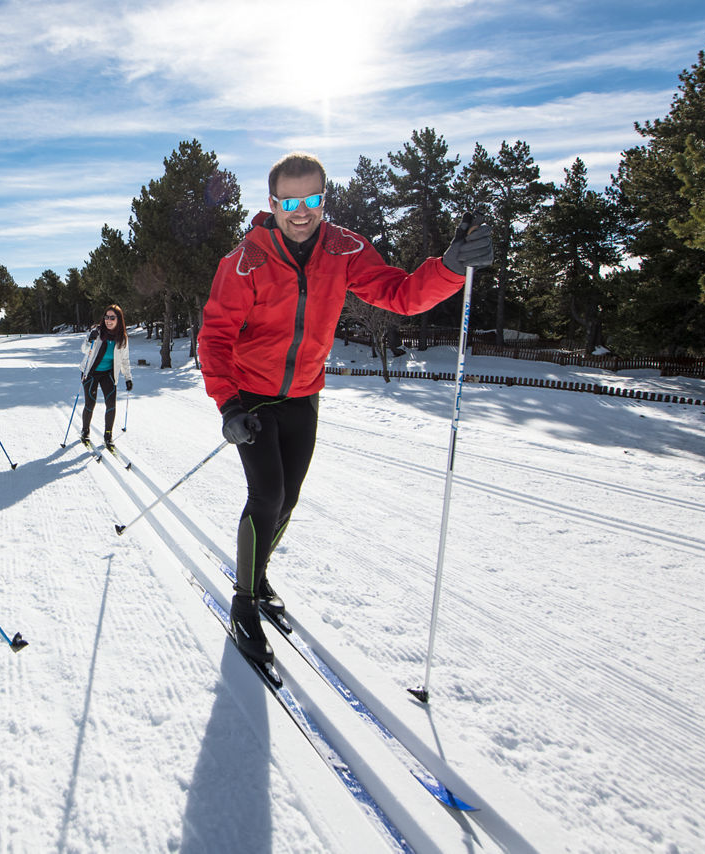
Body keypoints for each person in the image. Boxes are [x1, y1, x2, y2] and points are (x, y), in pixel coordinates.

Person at [198, 152, 492, 666]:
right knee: (267, 497)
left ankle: (258, 573)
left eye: (312, 199)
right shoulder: (246, 260)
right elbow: (215, 336)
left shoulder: (344, 248)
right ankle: (244, 604)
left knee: (289, 501)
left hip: (304, 395)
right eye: (290, 202)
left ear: (323, 199)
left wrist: (448, 268)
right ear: (273, 204)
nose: (302, 211)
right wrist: (228, 406)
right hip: (253, 398)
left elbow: (400, 295)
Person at [78, 304, 133, 451]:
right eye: (106, 317)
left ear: (118, 319)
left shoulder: (122, 339)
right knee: (90, 403)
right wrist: (90, 339)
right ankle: (85, 431)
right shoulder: (97, 332)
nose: (108, 320)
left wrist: (128, 377)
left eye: (112, 317)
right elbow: (84, 350)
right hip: (90, 372)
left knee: (111, 404)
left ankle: (108, 435)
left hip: (108, 373)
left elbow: (124, 360)